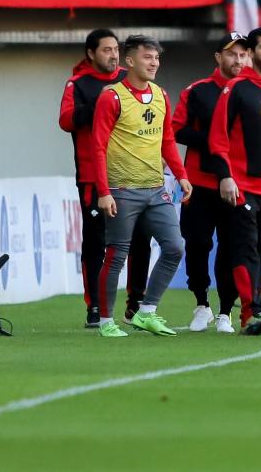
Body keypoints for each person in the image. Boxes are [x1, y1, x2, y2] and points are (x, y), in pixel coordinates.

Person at [91, 35, 192, 337]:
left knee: (174, 247)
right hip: (122, 190)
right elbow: (98, 147)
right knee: (117, 255)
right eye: (148, 57)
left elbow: (167, 140)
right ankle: (106, 321)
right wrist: (104, 192)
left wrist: (182, 174)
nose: (154, 63)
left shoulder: (161, 95)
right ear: (130, 61)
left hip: (156, 189)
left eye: (157, 58)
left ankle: (146, 312)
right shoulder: (112, 97)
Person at [59, 29, 152, 328]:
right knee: (97, 242)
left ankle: (134, 304)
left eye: (115, 49)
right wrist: (98, 103)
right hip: (93, 177)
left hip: (133, 175)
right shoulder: (78, 84)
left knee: (140, 239)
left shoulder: (129, 79)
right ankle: (96, 307)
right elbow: (65, 120)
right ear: (90, 53)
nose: (113, 55)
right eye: (106, 50)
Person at [173, 32, 248, 333]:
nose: (238, 60)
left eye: (243, 54)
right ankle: (202, 303)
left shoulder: (253, 92)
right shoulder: (198, 91)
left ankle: (226, 311)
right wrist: (217, 142)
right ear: (218, 57)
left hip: (238, 183)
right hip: (200, 182)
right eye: (232, 54)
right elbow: (177, 130)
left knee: (231, 247)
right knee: (198, 243)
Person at [208, 27, 261, 331]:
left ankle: (257, 311)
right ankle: (252, 310)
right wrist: (225, 176)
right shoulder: (236, 89)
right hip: (242, 185)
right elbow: (217, 138)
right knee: (245, 248)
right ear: (250, 53)